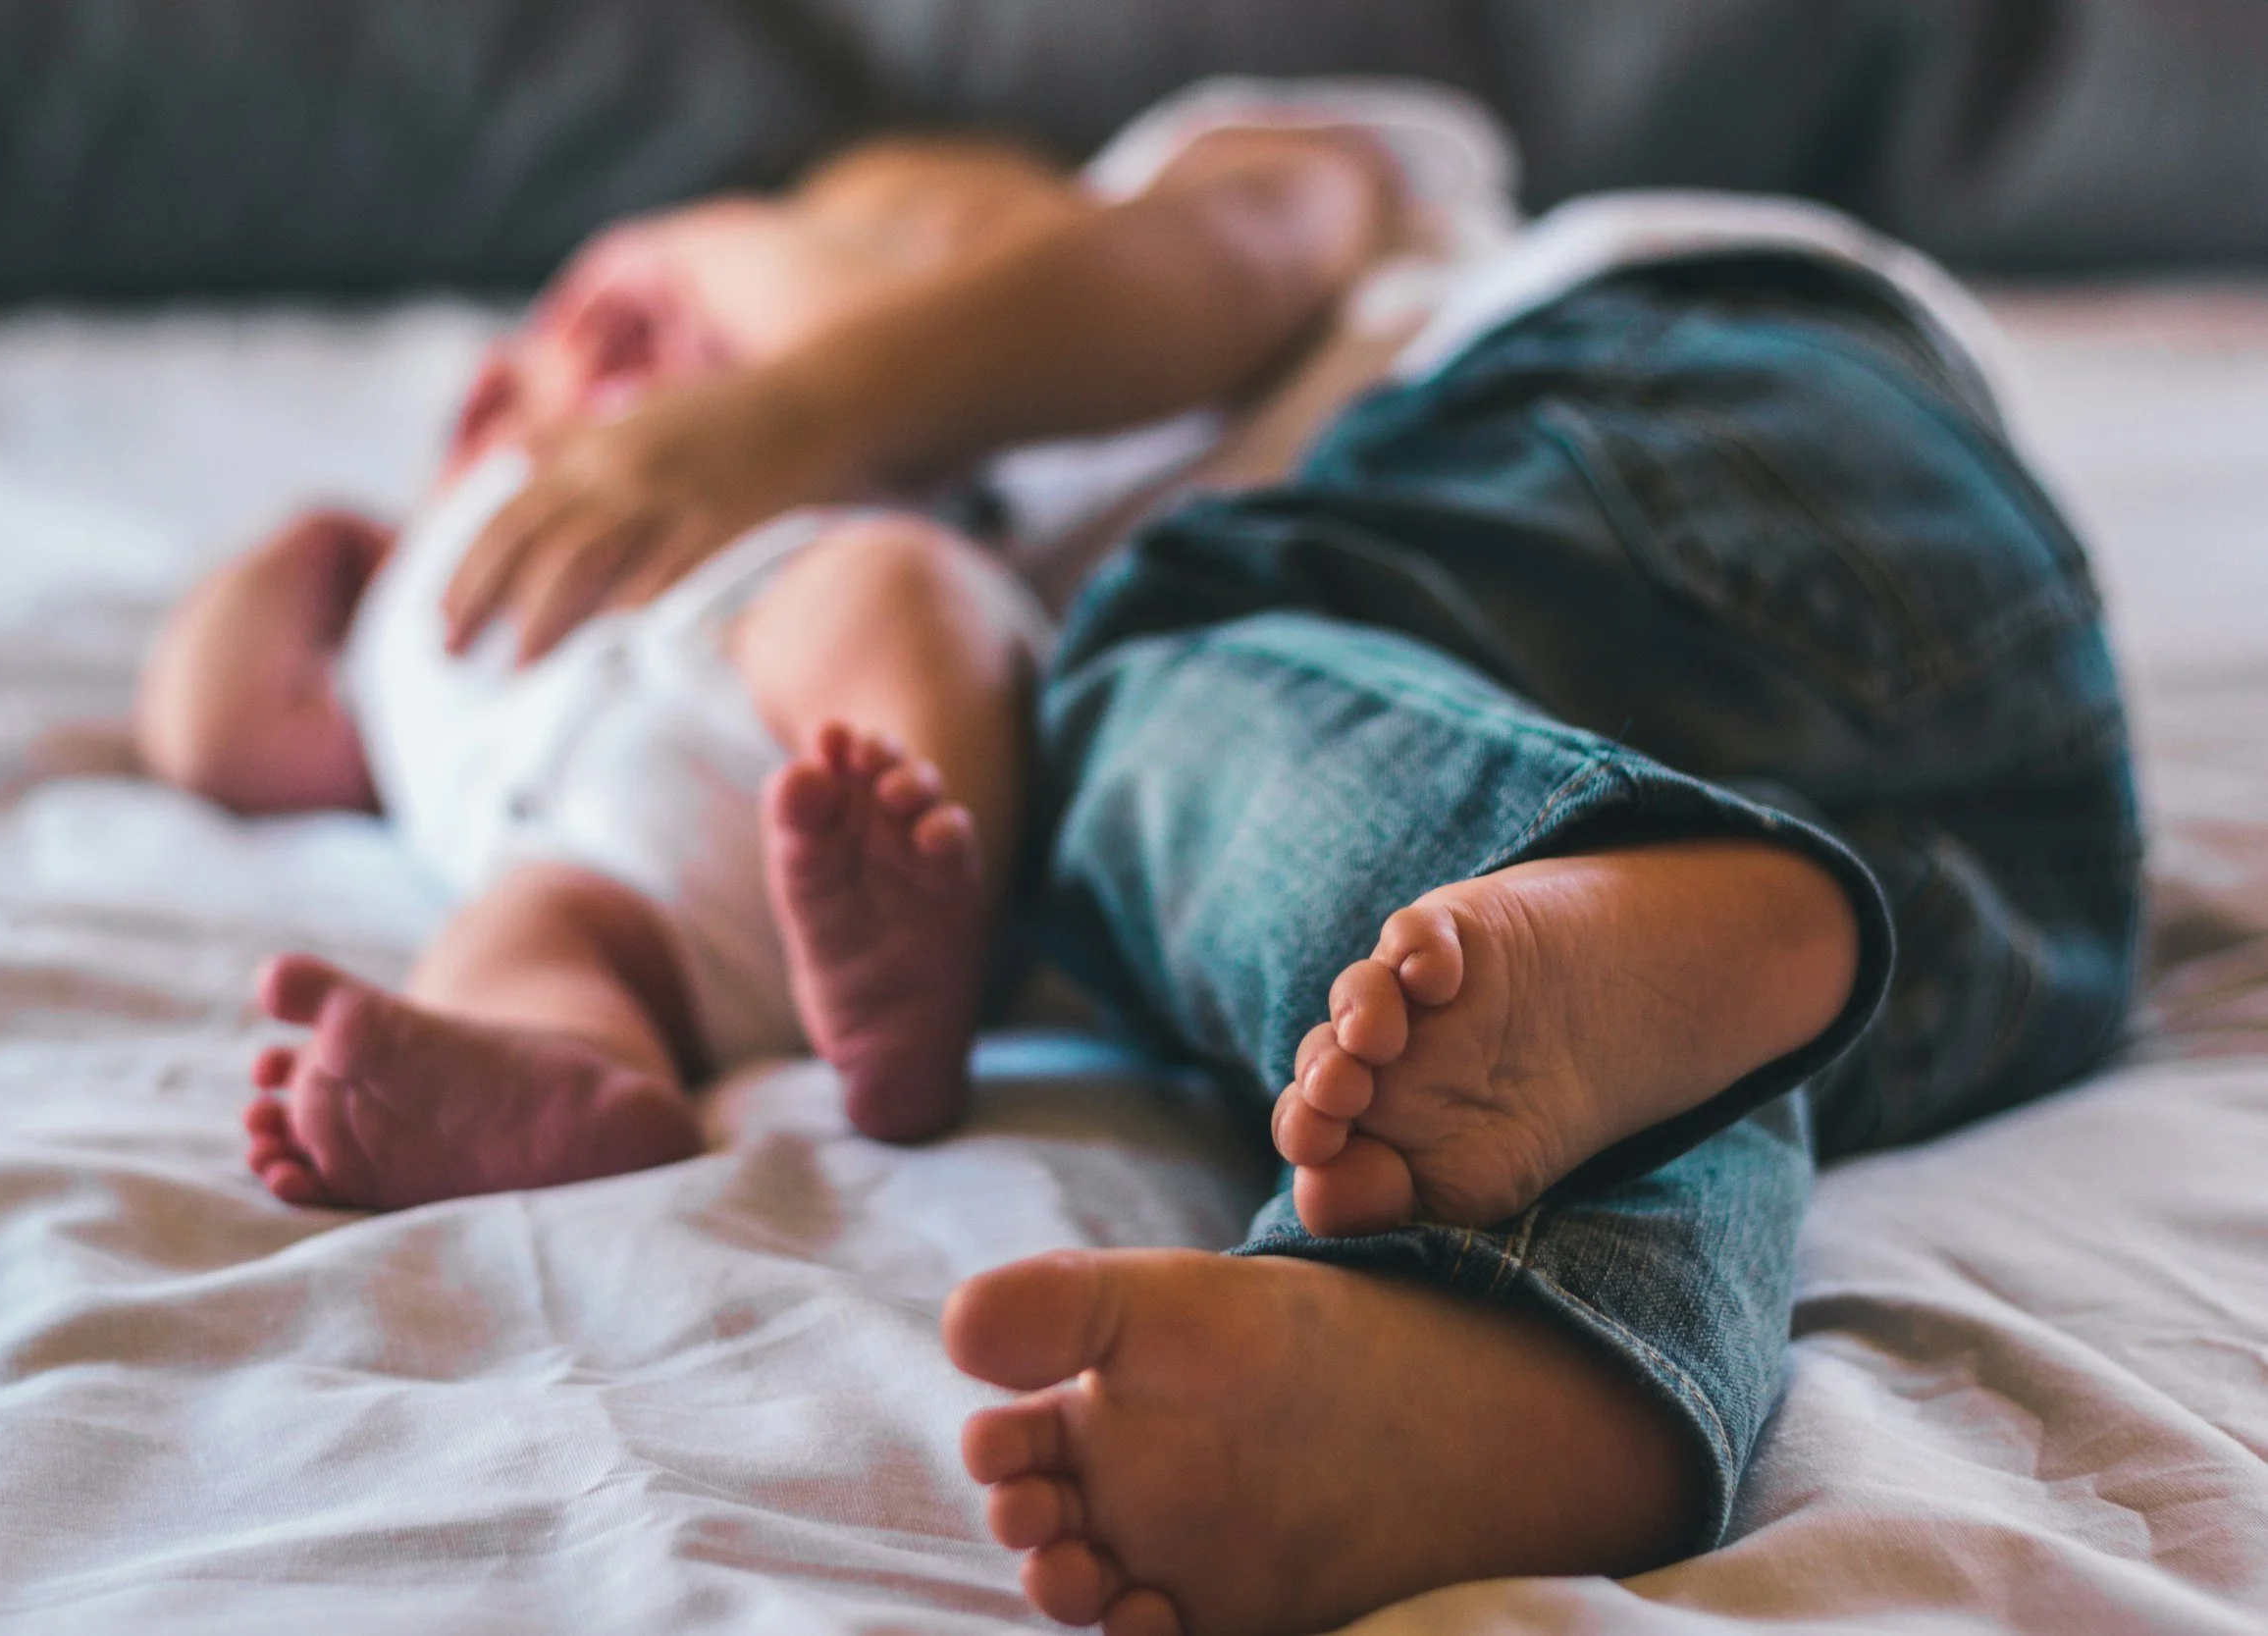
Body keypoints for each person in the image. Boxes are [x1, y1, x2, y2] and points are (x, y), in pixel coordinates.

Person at [408, 80, 2141, 1636]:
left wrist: (791, 409)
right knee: (1648, 1042)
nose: (568, 377)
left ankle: (1583, 882)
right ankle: (1512, 1360)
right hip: (1994, 852)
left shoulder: (1252, 191)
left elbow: (1234, 237)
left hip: (1652, 405)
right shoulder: (925, 568)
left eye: (666, 296)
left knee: (1140, 702)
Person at [132, 91, 1474, 1209]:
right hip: (590, 853)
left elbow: (1027, 336)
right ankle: (553, 1075)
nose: (625, 325)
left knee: (896, 598)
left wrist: (787, 392)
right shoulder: (426, 554)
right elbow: (232, 735)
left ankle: (917, 905)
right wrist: (310, 553)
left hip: (778, 670)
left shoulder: (900, 479)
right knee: (529, 937)